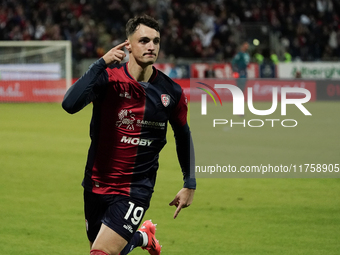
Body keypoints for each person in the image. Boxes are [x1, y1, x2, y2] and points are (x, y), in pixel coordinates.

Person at [62, 15, 196, 255]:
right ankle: (144, 237)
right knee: (108, 248)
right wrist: (101, 62)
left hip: (135, 188)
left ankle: (141, 236)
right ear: (128, 44)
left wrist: (189, 183)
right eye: (143, 40)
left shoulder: (171, 92)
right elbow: (69, 104)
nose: (151, 46)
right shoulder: (108, 79)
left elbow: (183, 135)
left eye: (156, 41)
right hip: (96, 183)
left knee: (101, 252)